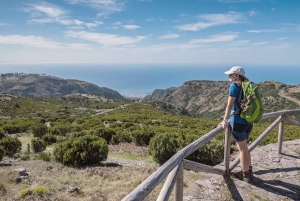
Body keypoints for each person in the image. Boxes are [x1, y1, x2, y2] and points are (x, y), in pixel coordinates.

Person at [219, 66, 253, 182]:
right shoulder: (248, 85)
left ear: (237, 75)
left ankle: (246, 175)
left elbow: (229, 105)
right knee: (245, 147)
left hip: (238, 122)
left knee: (242, 149)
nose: (228, 76)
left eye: (231, 74)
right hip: (248, 122)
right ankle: (248, 169)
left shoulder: (235, 86)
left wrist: (225, 120)